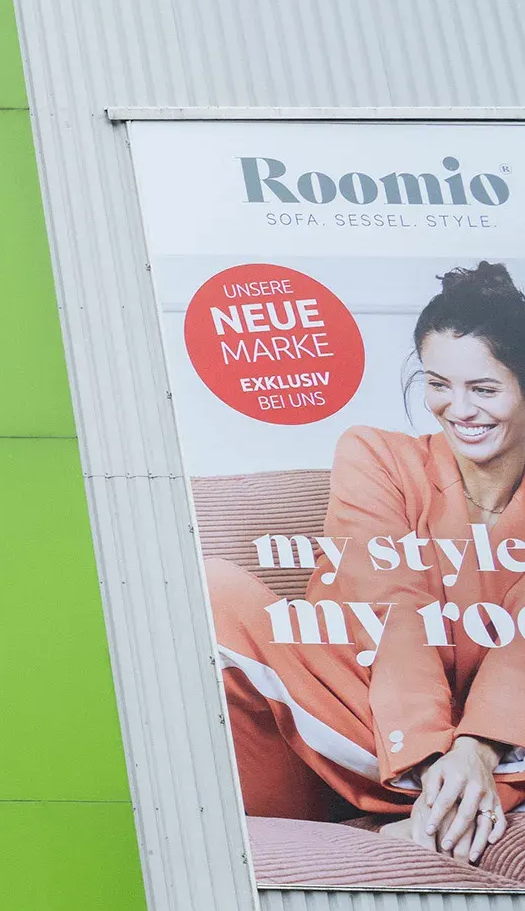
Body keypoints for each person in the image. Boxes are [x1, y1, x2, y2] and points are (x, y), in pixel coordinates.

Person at [210, 261, 525, 864]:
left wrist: (479, 749)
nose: (458, 409)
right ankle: (436, 801)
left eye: (484, 390)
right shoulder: (375, 455)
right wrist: (432, 754)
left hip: (496, 736)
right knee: (214, 590)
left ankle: (440, 808)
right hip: (357, 709)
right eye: (438, 384)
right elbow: (392, 610)